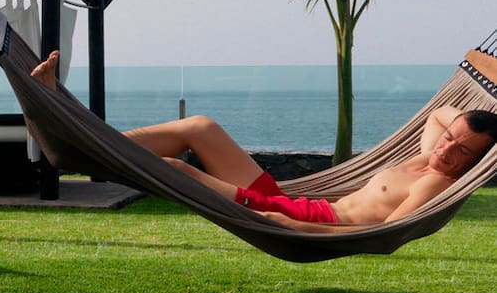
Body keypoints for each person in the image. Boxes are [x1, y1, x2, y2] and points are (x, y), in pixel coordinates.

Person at [27, 51, 497, 231]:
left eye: (459, 151)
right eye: (449, 140)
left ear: (478, 163)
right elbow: (439, 114)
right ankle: (82, 135)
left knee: (175, 170)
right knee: (201, 128)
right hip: (290, 199)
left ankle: (73, 136)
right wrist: (465, 125)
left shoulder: (434, 184)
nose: (444, 149)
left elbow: (381, 232)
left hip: (295, 216)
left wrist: (282, 224)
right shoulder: (428, 158)